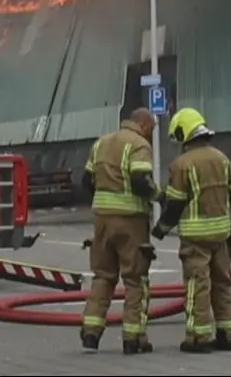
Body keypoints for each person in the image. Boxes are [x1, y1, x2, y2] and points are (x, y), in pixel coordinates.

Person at [152, 107, 231, 354]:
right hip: (221, 233)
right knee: (223, 283)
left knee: (197, 285)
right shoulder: (223, 159)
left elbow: (175, 203)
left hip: (196, 238)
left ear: (184, 132)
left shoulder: (182, 165)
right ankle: (230, 333)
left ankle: (198, 337)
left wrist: (161, 229)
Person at [78, 108, 158, 354]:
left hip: (102, 220)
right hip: (130, 222)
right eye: (152, 128)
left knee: (103, 276)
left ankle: (91, 332)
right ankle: (133, 337)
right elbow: (140, 181)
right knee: (135, 279)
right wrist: (159, 195)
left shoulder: (101, 143)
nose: (151, 133)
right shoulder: (139, 145)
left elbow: (86, 181)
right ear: (143, 123)